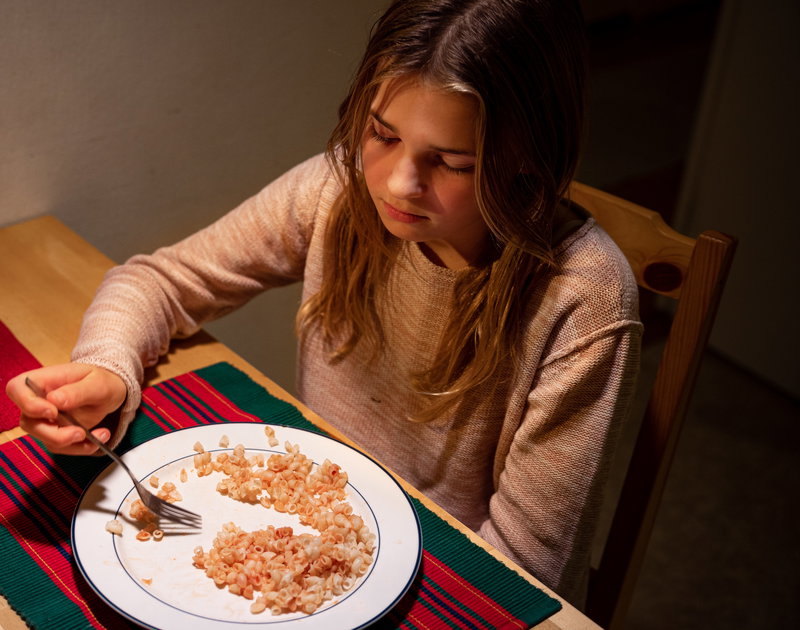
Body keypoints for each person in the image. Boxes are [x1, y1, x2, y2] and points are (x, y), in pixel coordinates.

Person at [6, 0, 641, 607]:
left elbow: (521, 571)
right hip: (311, 520)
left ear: (529, 157)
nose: (398, 183)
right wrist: (108, 370)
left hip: (458, 573)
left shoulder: (584, 296)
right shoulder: (336, 191)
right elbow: (159, 281)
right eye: (381, 134)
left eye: (451, 163)